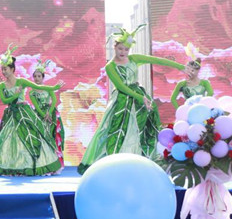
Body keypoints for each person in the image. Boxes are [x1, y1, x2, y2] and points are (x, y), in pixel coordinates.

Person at [77, 25, 185, 175]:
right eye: (120, 48)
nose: (123, 52)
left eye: (126, 49)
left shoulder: (133, 59)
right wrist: (141, 97)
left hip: (139, 96)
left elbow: (155, 60)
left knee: (141, 128)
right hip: (122, 100)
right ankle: (115, 163)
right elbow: (121, 87)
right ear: (115, 48)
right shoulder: (110, 66)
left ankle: (140, 161)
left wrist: (180, 66)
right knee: (118, 128)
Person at [0, 45, 64, 176]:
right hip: (11, 113)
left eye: (5, 69)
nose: (3, 72)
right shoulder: (1, 85)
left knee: (30, 136)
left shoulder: (21, 81)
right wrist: (16, 94)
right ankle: (11, 164)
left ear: (12, 69)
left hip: (24, 112)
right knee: (9, 139)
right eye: (2, 69)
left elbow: (38, 86)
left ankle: (30, 164)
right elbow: (5, 101)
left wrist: (54, 87)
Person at [29, 59, 66, 167]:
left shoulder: (49, 89)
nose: (37, 78)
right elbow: (36, 106)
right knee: (40, 137)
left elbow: (54, 100)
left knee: (52, 136)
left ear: (43, 77)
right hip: (38, 115)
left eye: (39, 76)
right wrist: (43, 114)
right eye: (35, 76)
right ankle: (41, 162)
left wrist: (49, 113)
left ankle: (54, 161)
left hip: (51, 114)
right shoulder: (32, 92)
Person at [170, 43, 213, 108]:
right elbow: (173, 99)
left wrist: (203, 104)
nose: (189, 73)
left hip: (202, 110)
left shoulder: (204, 82)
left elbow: (211, 93)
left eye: (192, 71)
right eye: (188, 70)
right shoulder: (181, 84)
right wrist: (180, 110)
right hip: (188, 111)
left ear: (198, 71)